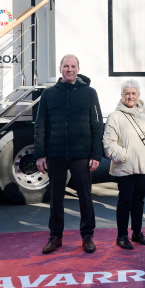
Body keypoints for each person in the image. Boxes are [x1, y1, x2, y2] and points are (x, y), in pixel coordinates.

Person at [35, 54, 103, 254]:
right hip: (55, 154)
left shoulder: (89, 93)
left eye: (73, 66)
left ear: (78, 70)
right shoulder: (49, 95)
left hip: (81, 154)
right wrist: (40, 154)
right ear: (60, 69)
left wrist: (96, 155)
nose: (69, 69)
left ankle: (88, 236)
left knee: (85, 196)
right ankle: (55, 236)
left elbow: (97, 126)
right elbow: (40, 125)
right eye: (66, 66)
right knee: (56, 198)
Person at [103, 80, 145, 249]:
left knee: (139, 201)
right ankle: (122, 236)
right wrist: (124, 155)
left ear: (138, 95)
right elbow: (108, 143)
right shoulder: (115, 116)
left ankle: (137, 233)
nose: (130, 96)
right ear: (122, 96)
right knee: (124, 203)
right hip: (125, 168)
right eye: (127, 94)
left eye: (133, 93)